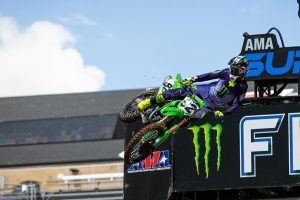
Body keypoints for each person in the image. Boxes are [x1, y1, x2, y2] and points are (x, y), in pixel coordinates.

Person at [138, 55, 249, 121]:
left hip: (209, 106)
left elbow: (235, 105)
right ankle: (148, 102)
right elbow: (209, 75)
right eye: (233, 68)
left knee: (192, 118)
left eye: (237, 70)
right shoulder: (225, 72)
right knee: (178, 92)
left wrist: (223, 113)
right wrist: (193, 78)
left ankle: (163, 120)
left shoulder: (243, 87)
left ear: (244, 71)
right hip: (203, 90)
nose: (234, 72)